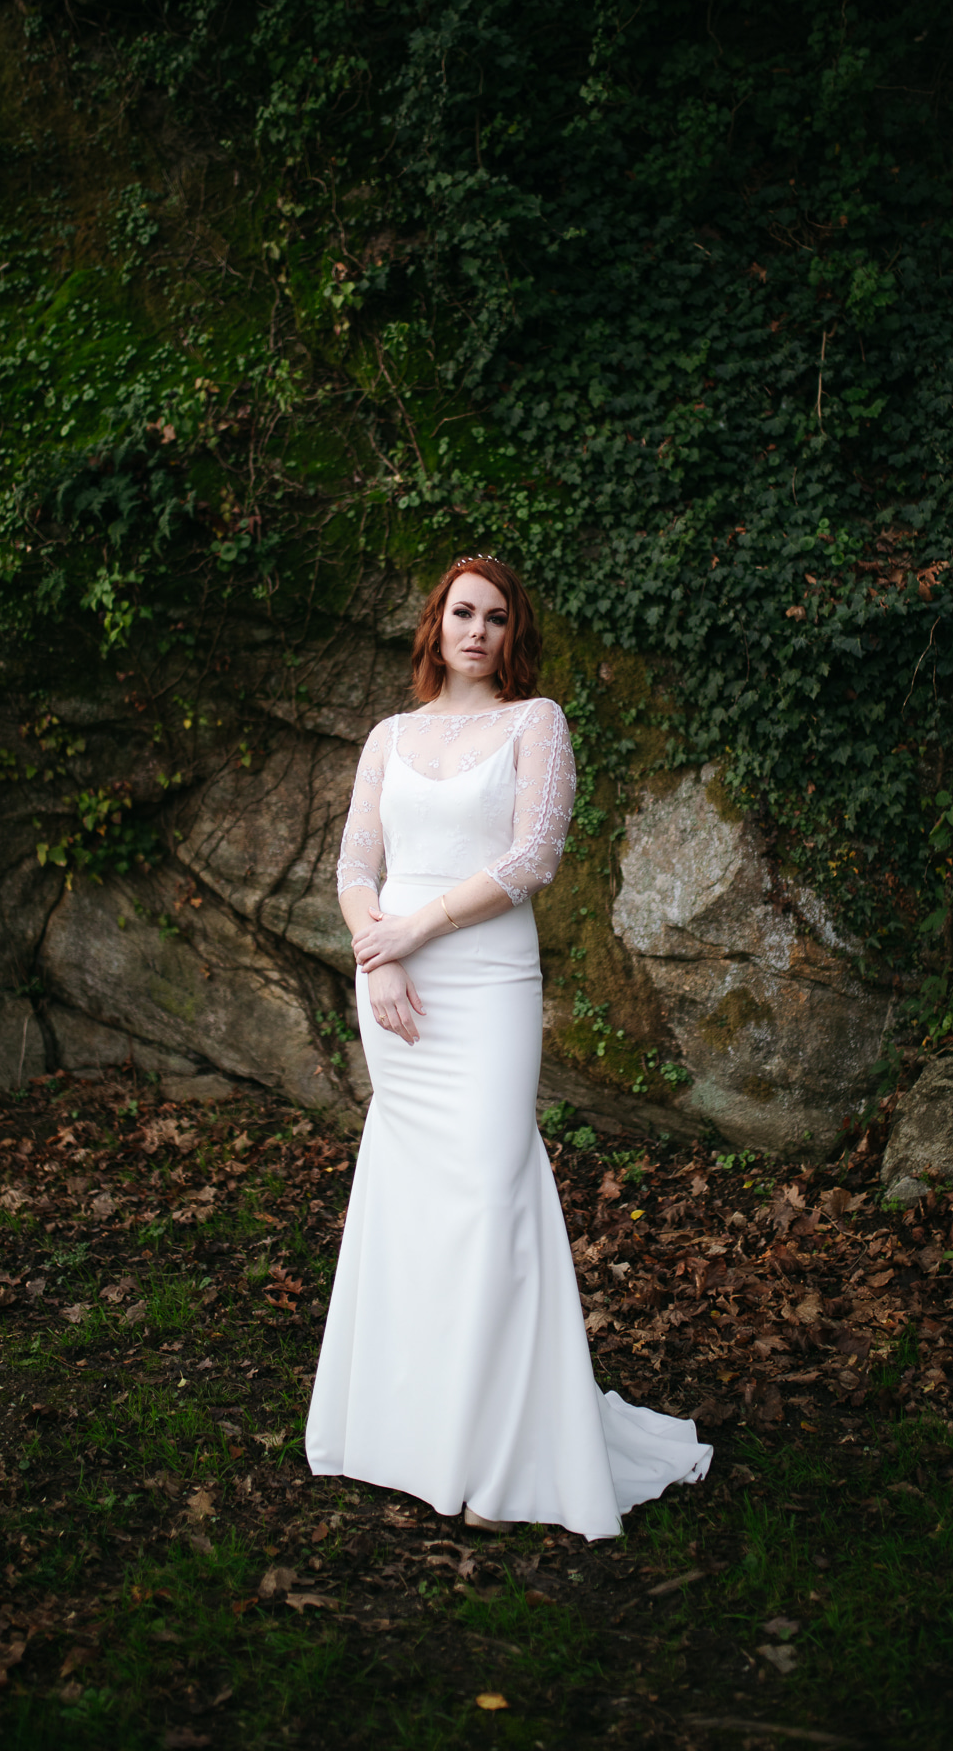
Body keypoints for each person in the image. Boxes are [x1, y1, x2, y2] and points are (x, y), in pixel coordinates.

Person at [305, 555, 712, 1539]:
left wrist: (416, 930)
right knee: (410, 1200)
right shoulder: (388, 738)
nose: (475, 631)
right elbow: (356, 865)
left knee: (488, 1194)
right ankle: (401, 1435)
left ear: (510, 634)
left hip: (484, 983)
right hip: (395, 985)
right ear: (434, 625)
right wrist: (380, 953)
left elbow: (531, 859)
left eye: (493, 617)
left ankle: (496, 1458)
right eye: (460, 612)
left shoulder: (536, 724)